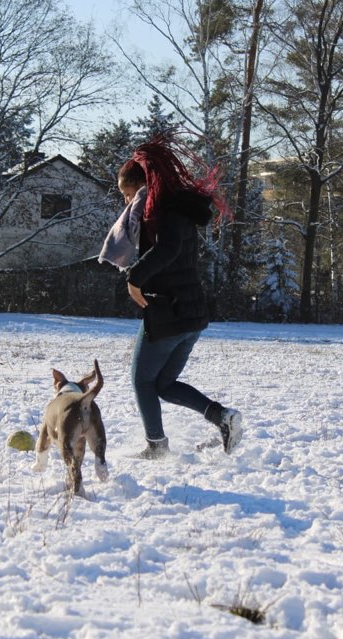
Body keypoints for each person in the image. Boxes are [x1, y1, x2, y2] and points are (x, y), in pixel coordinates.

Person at [117, 135, 243, 459]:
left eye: (127, 193)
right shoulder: (178, 209)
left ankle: (156, 447)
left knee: (142, 381)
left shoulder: (166, 211)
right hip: (190, 314)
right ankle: (222, 417)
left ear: (141, 185)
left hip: (169, 312)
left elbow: (168, 249)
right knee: (164, 384)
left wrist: (135, 277)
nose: (126, 201)